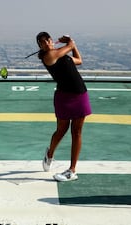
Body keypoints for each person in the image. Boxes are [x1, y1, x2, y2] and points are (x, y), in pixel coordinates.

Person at [36, 31, 92, 182]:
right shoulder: (49, 57)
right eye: (42, 42)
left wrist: (72, 46)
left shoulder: (61, 54)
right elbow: (69, 46)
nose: (47, 42)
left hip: (80, 95)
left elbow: (79, 60)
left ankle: (72, 170)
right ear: (40, 46)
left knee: (77, 131)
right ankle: (50, 154)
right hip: (64, 97)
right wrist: (70, 42)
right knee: (61, 130)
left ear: (51, 40)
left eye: (48, 39)